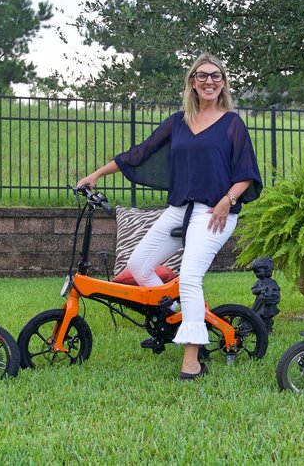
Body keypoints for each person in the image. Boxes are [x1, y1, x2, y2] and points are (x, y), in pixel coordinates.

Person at [77, 52, 262, 380]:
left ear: (223, 84)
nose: (209, 81)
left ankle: (192, 360)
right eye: (202, 75)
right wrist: (96, 175)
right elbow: (140, 153)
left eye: (216, 76)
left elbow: (246, 172)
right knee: (138, 267)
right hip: (179, 209)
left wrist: (227, 200)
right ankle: (174, 314)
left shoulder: (232, 123)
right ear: (192, 81)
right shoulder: (178, 122)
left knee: (190, 277)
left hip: (215, 212)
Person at [250, 257, 281, 334]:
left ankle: (268, 330)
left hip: (270, 304)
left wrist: (274, 294)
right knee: (259, 316)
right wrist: (261, 290)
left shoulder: (273, 282)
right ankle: (258, 329)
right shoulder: (258, 283)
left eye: (258, 272)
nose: (256, 274)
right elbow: (254, 290)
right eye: (255, 273)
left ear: (266, 269)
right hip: (260, 304)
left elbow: (276, 291)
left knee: (268, 318)